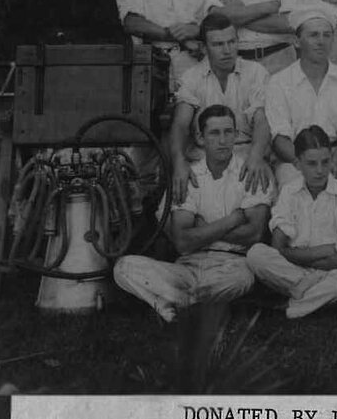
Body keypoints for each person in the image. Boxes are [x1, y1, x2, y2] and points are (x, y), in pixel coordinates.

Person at [113, 105, 273, 322]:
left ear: (236, 135)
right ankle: (188, 302)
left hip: (230, 265)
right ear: (200, 137)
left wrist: (201, 227)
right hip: (187, 265)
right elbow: (183, 243)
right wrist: (233, 220)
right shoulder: (188, 176)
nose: (223, 140)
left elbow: (253, 234)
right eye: (214, 133)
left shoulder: (251, 173)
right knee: (124, 267)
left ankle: (168, 302)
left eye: (228, 132)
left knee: (243, 278)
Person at [246, 126, 337, 319]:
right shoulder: (289, 192)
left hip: (331, 272)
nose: (320, 170)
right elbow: (277, 247)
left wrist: (297, 254)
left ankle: (289, 306)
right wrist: (327, 249)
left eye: (325, 162)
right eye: (311, 163)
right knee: (256, 254)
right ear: (298, 163)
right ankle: (315, 298)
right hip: (294, 270)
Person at [167, 13, 273, 205]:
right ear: (204, 48)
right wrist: (179, 162)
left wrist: (256, 156)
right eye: (218, 44)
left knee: (255, 217)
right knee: (176, 216)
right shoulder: (192, 77)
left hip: (246, 155)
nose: (227, 50)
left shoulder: (256, 72)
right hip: (203, 158)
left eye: (232, 42)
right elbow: (180, 125)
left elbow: (261, 120)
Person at [265, 10, 337, 197]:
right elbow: (279, 138)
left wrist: (332, 163)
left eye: (327, 35)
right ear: (297, 41)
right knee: (292, 185)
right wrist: (304, 163)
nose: (321, 41)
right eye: (313, 35)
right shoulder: (279, 82)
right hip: (295, 157)